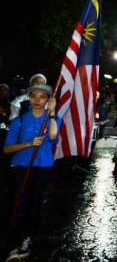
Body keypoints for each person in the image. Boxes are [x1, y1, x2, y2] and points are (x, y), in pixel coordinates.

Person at [3, 83, 61, 261]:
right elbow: (7, 149)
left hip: (42, 168)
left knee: (35, 205)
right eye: (33, 95)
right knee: (20, 203)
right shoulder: (18, 121)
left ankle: (28, 238)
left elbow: (52, 136)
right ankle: (15, 239)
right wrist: (28, 144)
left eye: (42, 96)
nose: (37, 100)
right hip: (21, 167)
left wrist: (52, 113)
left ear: (48, 100)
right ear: (29, 98)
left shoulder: (53, 119)